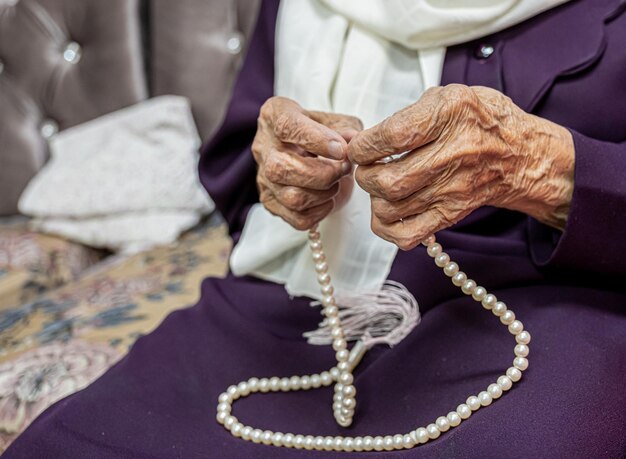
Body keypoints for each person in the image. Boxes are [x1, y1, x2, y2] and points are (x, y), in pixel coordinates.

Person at [5, 0, 626, 457]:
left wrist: (547, 171)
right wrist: (278, 169)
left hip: (542, 320)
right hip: (286, 309)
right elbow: (239, 165)